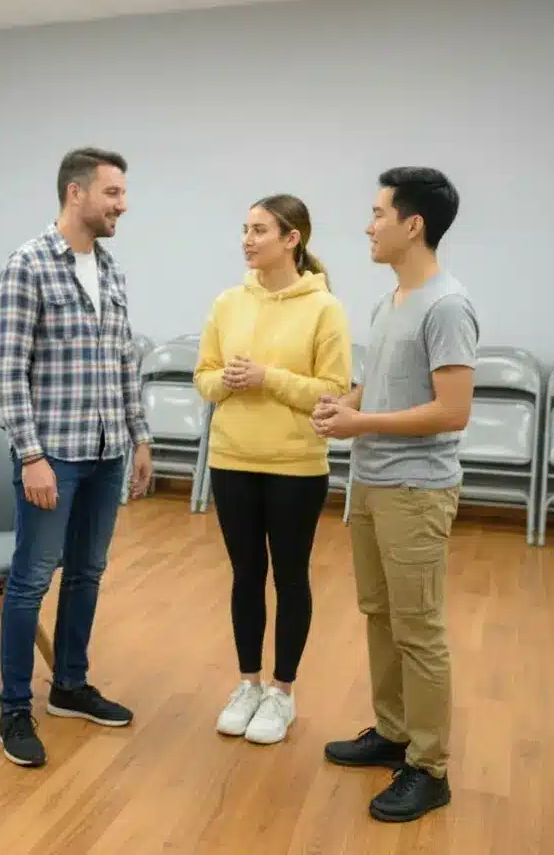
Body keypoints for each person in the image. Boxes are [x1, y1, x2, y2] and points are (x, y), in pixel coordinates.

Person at [313, 167, 478, 823]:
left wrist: (361, 423)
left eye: (379, 213)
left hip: (416, 489)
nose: (368, 225)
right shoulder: (390, 304)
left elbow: (453, 410)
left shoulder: (447, 304)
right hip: (374, 483)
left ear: (414, 225)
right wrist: (345, 403)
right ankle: (394, 732)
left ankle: (429, 767)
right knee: (381, 616)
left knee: (420, 629)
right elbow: (382, 386)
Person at [0, 146, 153, 768]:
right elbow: (9, 369)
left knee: (88, 573)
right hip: (52, 453)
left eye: (123, 193)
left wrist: (140, 439)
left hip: (108, 447)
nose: (123, 205)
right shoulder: (28, 264)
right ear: (76, 193)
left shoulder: (111, 271)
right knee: (31, 581)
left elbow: (124, 364)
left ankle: (69, 685)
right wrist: (30, 455)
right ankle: (13, 708)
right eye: (113, 193)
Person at [194, 194, 352, 745]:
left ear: (292, 239)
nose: (247, 239)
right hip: (231, 458)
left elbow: (333, 394)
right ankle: (248, 684)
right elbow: (205, 376)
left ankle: (282, 692)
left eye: (260, 229)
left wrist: (268, 378)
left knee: (289, 576)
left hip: (295, 465)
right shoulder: (227, 302)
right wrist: (228, 382)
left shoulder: (325, 308)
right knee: (245, 575)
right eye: (245, 228)